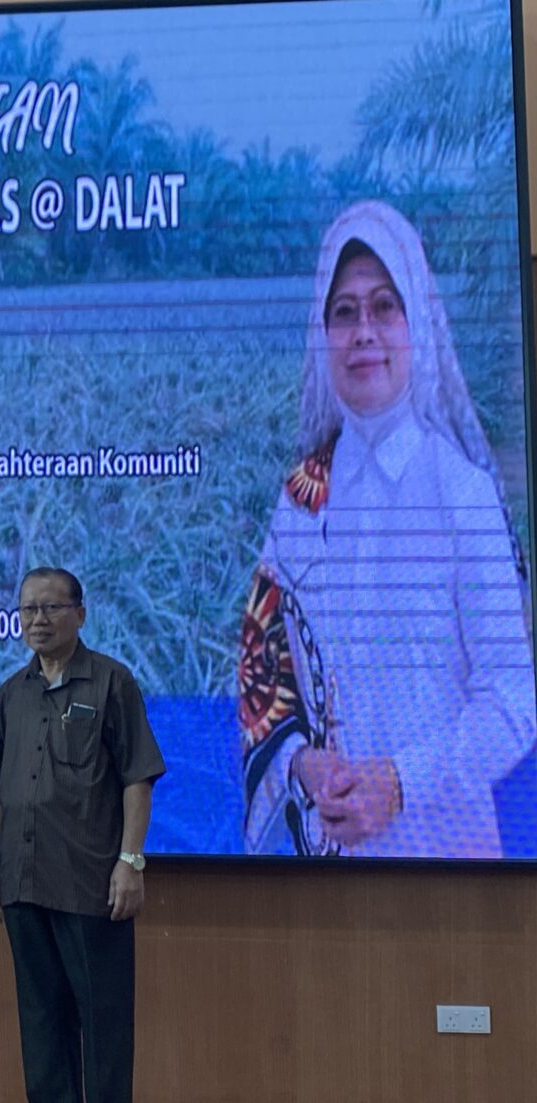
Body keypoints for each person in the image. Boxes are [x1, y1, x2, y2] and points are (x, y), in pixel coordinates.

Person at [240, 200, 537, 857]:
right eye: (344, 312)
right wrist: (302, 764)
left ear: (417, 324)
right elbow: (263, 674)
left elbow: (515, 699)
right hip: (323, 867)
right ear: (322, 332)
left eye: (384, 307)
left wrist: (401, 784)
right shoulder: (300, 500)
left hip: (444, 863)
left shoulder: (461, 493)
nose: (363, 332)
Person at [0, 568, 165, 1103]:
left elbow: (137, 777)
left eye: (51, 608)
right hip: (22, 879)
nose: (38, 619)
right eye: (28, 609)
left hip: (89, 881)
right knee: (40, 1021)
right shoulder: (11, 692)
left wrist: (131, 861)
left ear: (79, 614)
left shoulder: (111, 681)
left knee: (103, 1022)